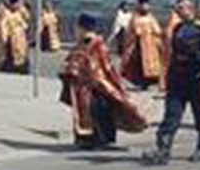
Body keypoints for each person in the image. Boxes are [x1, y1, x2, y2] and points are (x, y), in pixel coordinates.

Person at [142, 0, 200, 165]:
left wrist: (196, 57)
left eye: (182, 7)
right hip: (177, 78)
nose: (179, 10)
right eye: (177, 8)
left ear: (191, 9)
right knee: (171, 115)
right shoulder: (178, 28)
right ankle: (163, 150)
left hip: (195, 78)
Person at [59, 13, 147, 149]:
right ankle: (86, 139)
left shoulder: (98, 45)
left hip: (98, 86)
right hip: (83, 87)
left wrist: (91, 74)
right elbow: (72, 60)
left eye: (78, 28)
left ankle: (101, 139)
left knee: (98, 110)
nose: (77, 31)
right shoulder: (81, 44)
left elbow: (106, 67)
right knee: (84, 111)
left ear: (83, 28)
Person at [121, 0, 165, 90]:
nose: (145, 7)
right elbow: (130, 31)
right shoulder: (135, 17)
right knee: (138, 66)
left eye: (147, 5)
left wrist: (156, 37)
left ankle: (148, 82)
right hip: (138, 46)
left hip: (150, 47)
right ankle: (140, 83)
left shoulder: (151, 17)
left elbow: (157, 30)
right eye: (143, 5)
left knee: (149, 67)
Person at [0, 0, 30, 73]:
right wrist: (4, 37)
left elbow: (26, 20)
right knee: (13, 52)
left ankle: (22, 67)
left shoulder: (20, 13)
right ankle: (13, 67)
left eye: (18, 4)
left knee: (22, 52)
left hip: (21, 36)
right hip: (12, 36)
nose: (17, 6)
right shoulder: (7, 14)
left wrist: (22, 7)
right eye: (15, 4)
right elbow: (3, 25)